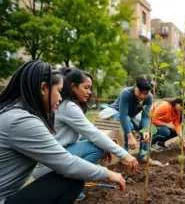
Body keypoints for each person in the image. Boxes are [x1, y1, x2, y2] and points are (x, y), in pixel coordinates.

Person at [0, 61, 128, 204]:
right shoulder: (22, 121)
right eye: (58, 91)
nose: (60, 98)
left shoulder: (11, 112)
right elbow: (67, 164)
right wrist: (108, 173)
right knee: (72, 182)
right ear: (43, 88)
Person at [33, 68, 139, 200]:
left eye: (90, 88)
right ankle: (63, 185)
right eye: (86, 87)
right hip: (46, 166)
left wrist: (106, 146)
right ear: (73, 87)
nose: (89, 92)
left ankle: (66, 185)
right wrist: (124, 154)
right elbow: (93, 134)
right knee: (97, 147)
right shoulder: (68, 107)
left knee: (98, 146)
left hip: (47, 162)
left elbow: (85, 133)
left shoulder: (66, 105)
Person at [99, 74, 159, 165]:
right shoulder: (126, 93)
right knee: (129, 125)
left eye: (145, 93)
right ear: (135, 86)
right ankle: (124, 155)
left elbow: (145, 117)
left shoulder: (149, 97)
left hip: (131, 116)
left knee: (149, 128)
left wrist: (146, 131)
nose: (142, 96)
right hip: (115, 112)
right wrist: (130, 137)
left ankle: (143, 156)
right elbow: (123, 115)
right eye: (140, 92)